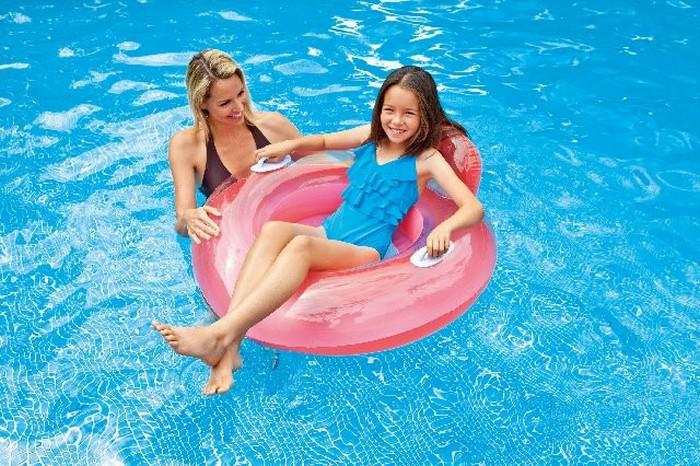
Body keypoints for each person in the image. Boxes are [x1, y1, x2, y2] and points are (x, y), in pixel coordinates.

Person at [154, 65, 484, 395]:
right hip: (330, 230)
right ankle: (230, 349)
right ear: (379, 109)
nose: (396, 121)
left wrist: (446, 228)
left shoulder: (426, 160)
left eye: (408, 113)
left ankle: (219, 334)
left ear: (425, 114)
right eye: (389, 110)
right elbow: (325, 141)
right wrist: (288, 146)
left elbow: (472, 207)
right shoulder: (373, 137)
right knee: (274, 230)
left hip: (365, 250)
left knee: (301, 247)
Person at [169, 48, 301, 245]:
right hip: (235, 236)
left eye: (241, 93)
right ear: (202, 103)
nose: (239, 107)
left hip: (284, 220)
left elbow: (321, 165)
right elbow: (182, 220)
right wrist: (189, 218)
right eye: (225, 103)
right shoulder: (187, 146)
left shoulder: (274, 126)